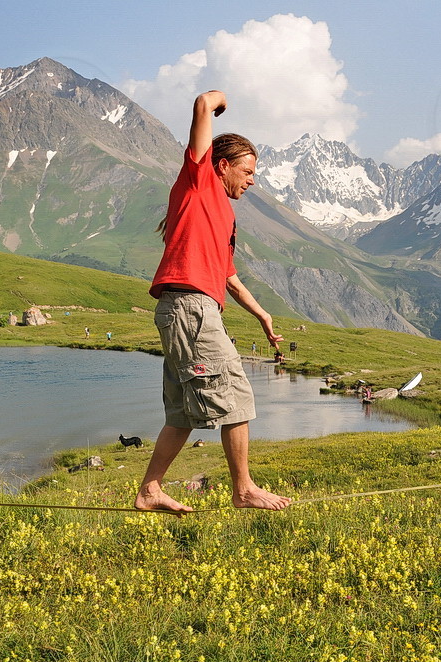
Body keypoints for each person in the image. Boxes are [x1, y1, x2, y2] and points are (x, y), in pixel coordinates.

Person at [135, 90, 291, 514]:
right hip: (190, 309)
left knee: (184, 413)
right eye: (248, 170)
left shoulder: (223, 213)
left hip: (188, 311)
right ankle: (243, 490)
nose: (252, 179)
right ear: (221, 166)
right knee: (237, 393)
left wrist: (262, 314)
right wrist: (217, 100)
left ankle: (150, 490)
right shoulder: (198, 181)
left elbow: (228, 277)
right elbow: (203, 105)